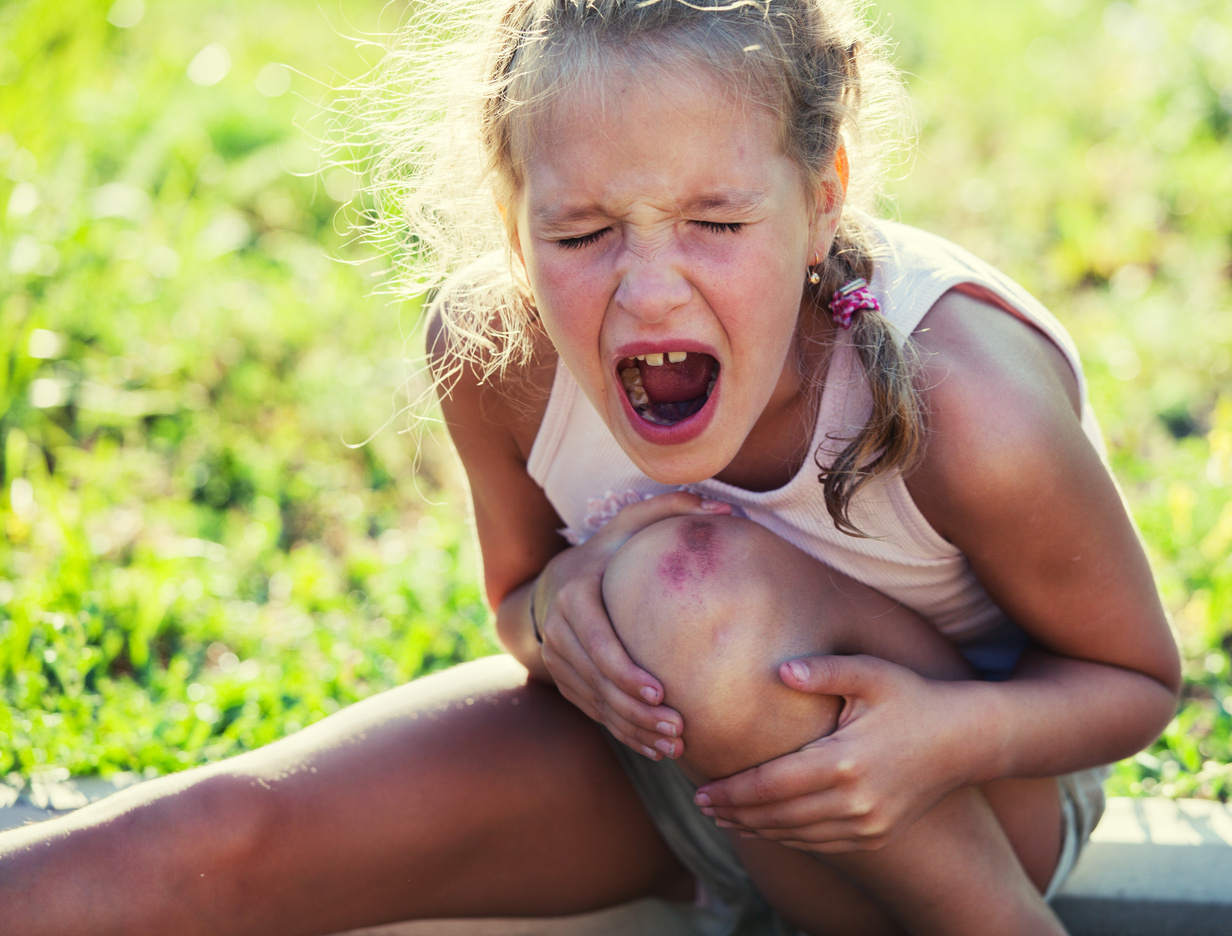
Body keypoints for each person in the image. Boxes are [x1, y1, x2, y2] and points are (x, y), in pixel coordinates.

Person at [0, 1, 1180, 934]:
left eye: (717, 224)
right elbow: (516, 609)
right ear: (513, 222)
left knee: (687, 588)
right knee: (221, 840)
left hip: (961, 799)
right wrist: (553, 603)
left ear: (821, 200)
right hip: (662, 778)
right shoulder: (495, 354)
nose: (649, 287)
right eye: (580, 235)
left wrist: (932, 740)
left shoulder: (958, 401)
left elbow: (1131, 681)